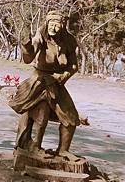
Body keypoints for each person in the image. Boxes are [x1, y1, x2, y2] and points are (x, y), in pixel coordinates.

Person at [9, 10, 81, 161]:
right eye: (51, 24)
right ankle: (34, 147)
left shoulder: (68, 41)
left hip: (56, 82)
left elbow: (74, 65)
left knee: (70, 117)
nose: (53, 28)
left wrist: (63, 75)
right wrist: (27, 46)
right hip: (39, 81)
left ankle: (63, 150)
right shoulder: (40, 36)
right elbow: (28, 58)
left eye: (57, 25)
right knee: (41, 115)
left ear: (63, 26)